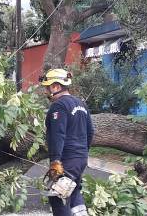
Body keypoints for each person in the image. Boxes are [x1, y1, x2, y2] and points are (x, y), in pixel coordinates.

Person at [39, 68, 94, 216]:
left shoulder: (59, 106)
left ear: (56, 86)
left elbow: (58, 135)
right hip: (80, 159)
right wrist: (83, 153)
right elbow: (90, 132)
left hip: (66, 160)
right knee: (73, 191)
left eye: (47, 87)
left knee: (57, 196)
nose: (46, 92)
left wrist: (56, 160)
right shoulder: (81, 104)